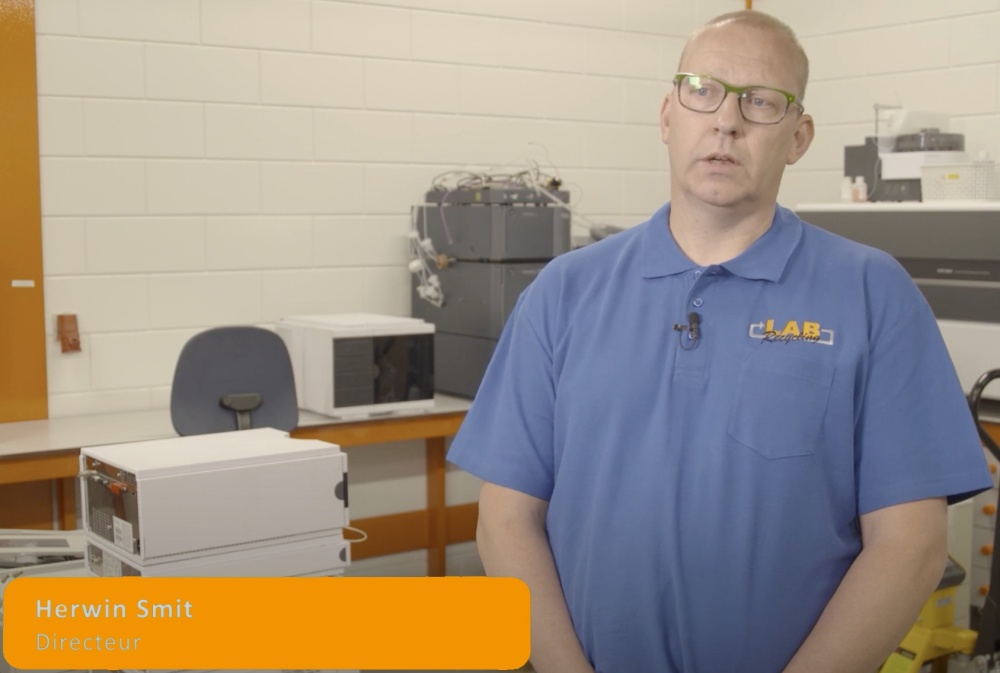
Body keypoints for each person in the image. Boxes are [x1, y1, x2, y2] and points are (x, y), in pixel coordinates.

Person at [446, 9, 993, 673]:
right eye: (702, 90)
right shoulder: (563, 294)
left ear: (798, 136)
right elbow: (506, 519)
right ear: (667, 116)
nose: (727, 121)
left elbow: (910, 543)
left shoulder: (873, 294)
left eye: (761, 101)